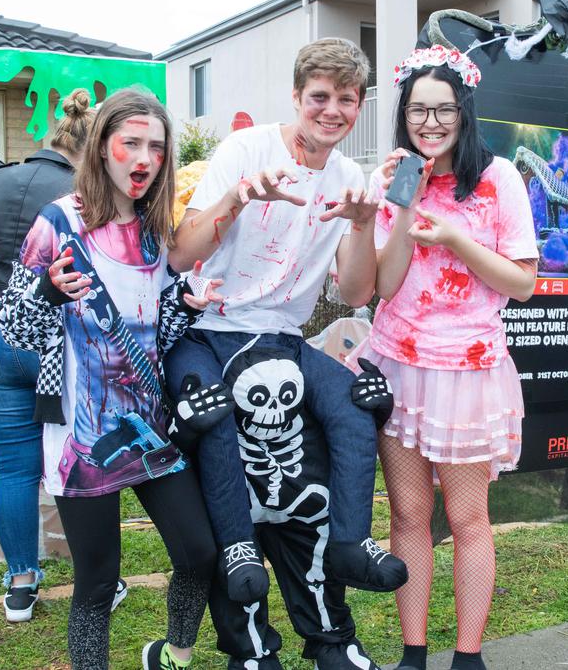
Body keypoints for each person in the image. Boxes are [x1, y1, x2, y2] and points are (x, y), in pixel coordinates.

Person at [166, 37, 405, 669]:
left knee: (356, 407)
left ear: (358, 107)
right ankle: (246, 614)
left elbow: (356, 293)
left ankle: (351, 546)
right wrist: (241, 196)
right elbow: (181, 254)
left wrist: (360, 224)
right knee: (215, 425)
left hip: (285, 341)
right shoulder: (245, 150)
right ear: (297, 97)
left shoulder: (350, 176)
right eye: (319, 97)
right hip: (212, 331)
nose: (332, 111)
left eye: (346, 100)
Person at [0, 88, 223, 670]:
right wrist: (48, 290)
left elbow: (154, 332)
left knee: (199, 553)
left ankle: (172, 655)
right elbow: (14, 330)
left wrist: (188, 304)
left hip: (149, 426)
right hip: (78, 431)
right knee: (97, 584)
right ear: (102, 149)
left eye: (156, 146)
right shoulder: (59, 223)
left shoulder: (154, 229)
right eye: (131, 143)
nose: (144, 158)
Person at [362, 46, 538, 670]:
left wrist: (458, 238)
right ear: (403, 116)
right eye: (417, 110)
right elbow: (382, 287)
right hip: (398, 364)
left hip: (466, 370)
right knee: (409, 513)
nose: (429, 122)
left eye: (442, 109)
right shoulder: (399, 181)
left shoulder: (499, 179)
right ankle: (414, 653)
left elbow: (521, 282)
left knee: (467, 517)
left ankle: (468, 656)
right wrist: (402, 202)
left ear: (464, 110)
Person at [0, 88, 99, 622]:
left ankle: (20, 582)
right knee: (79, 459)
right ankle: (97, 576)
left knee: (15, 468)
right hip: (56, 340)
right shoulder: (83, 195)